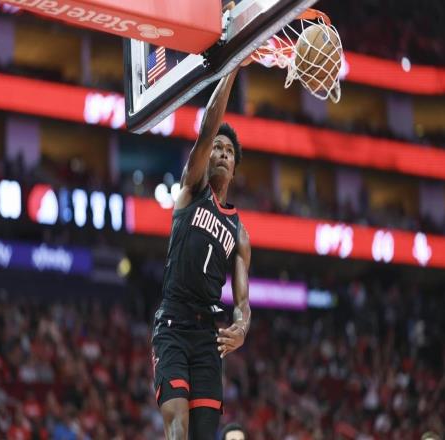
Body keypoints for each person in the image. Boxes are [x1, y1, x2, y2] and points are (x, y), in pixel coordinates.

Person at [151, 64, 251, 440]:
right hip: (173, 325)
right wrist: (232, 66)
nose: (222, 154)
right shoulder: (192, 190)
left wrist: (242, 328)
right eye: (217, 149)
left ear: (235, 169)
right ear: (206, 157)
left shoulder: (240, 233)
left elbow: (242, 302)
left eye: (229, 152)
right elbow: (208, 127)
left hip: (208, 337)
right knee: (178, 429)